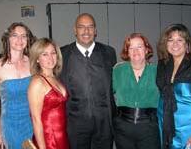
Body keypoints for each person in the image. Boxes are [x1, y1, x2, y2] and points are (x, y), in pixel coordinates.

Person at [60, 13, 117, 149]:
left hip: (104, 124)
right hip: (75, 125)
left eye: (90, 27)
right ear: (75, 30)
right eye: (81, 27)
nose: (86, 31)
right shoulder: (62, 54)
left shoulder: (109, 52)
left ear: (95, 31)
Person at [156, 24, 191, 149]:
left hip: (186, 125)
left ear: (187, 44)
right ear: (165, 43)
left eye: (180, 40)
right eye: (170, 40)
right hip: (163, 118)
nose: (175, 44)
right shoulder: (163, 63)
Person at [0, 22, 35, 149]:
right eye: (15, 35)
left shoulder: (32, 63)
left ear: (28, 39)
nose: (20, 40)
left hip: (32, 121)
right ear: (7, 39)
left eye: (24, 36)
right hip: (10, 124)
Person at [112, 33, 161, 149]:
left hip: (149, 127)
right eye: (131, 47)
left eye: (139, 46)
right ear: (127, 52)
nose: (135, 51)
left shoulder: (158, 71)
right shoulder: (118, 70)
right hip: (123, 127)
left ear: (146, 49)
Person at [28, 38, 69, 149]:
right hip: (48, 140)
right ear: (37, 59)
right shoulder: (37, 82)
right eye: (45, 54)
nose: (50, 57)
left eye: (53, 53)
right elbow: (36, 119)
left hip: (62, 136)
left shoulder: (54, 78)